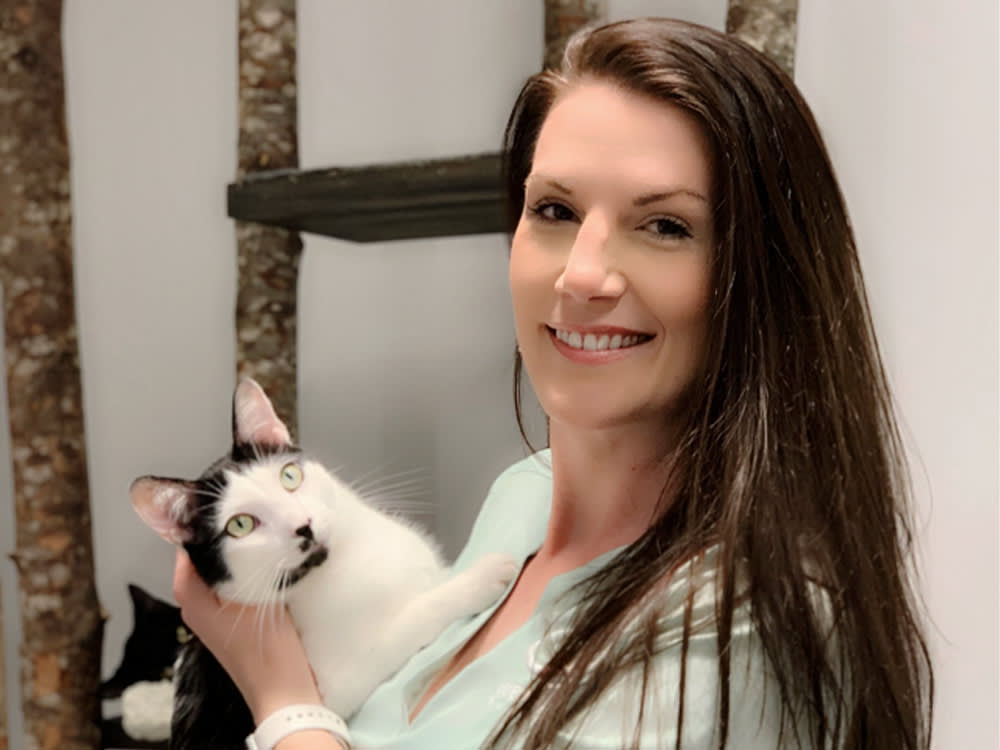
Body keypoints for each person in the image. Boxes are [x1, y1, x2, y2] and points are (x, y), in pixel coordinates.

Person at [172, 17, 933, 750]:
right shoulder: (523, 497)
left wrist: (282, 703)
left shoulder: (743, 629)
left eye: (665, 225)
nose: (582, 275)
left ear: (762, 278)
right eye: (555, 210)